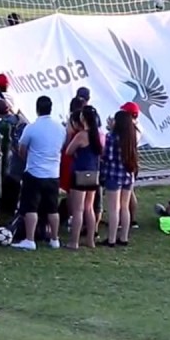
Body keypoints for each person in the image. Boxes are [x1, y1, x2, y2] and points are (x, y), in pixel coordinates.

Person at [13, 96, 66, 251]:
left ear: (37, 109)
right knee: (52, 208)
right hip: (53, 173)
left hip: (34, 172)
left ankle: (30, 239)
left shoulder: (31, 128)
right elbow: (61, 146)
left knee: (31, 207)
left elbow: (22, 149)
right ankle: (54, 239)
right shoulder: (60, 128)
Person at [65, 105, 103, 250]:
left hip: (80, 173)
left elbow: (68, 151)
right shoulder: (97, 135)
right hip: (94, 174)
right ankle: (90, 241)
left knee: (78, 210)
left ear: (83, 119)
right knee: (89, 208)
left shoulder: (81, 135)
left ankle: (74, 242)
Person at [102, 107, 140, 247]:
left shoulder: (112, 137)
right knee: (124, 207)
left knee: (113, 208)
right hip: (128, 175)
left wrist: (110, 130)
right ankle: (124, 237)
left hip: (114, 175)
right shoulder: (132, 136)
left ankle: (111, 239)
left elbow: (108, 157)